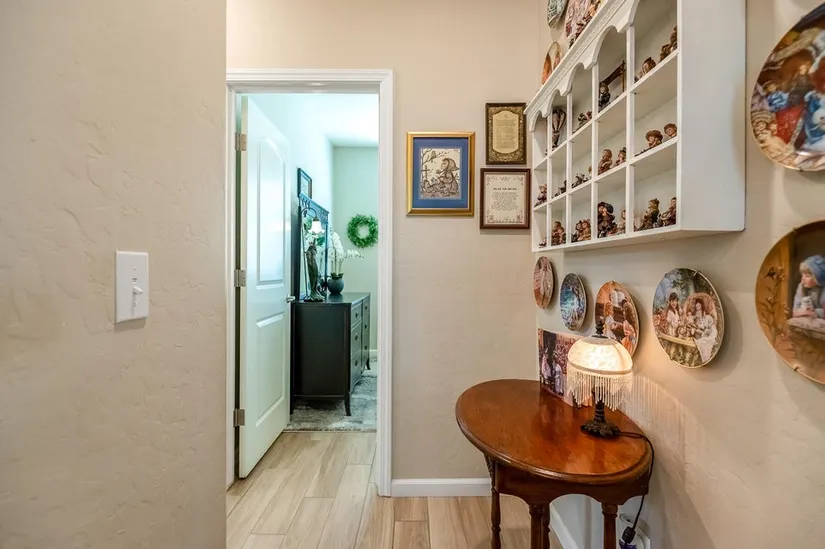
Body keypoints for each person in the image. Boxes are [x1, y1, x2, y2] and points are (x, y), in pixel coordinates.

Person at [792, 254, 825, 319]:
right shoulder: (801, 286)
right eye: (802, 275)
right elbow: (795, 310)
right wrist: (804, 311)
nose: (803, 279)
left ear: (817, 278)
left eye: (807, 276)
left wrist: (814, 312)